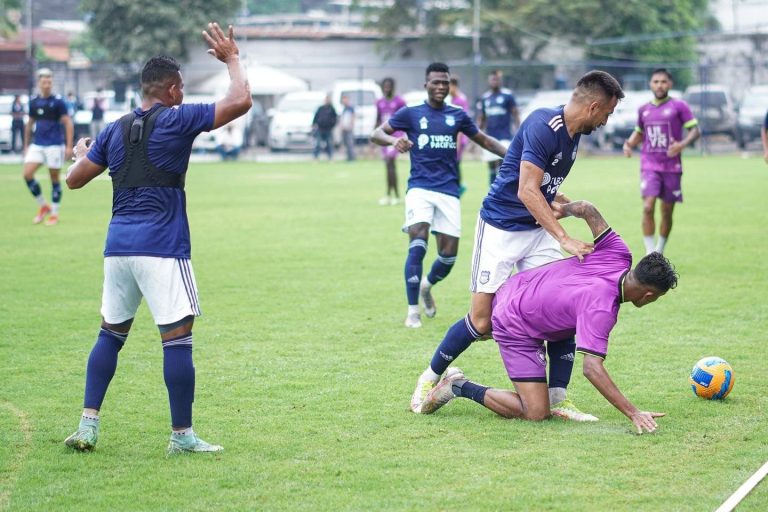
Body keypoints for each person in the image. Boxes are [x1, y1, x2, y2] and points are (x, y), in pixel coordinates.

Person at [62, 22, 252, 455]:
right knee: (178, 339)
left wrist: (80, 155)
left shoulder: (113, 129)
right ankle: (181, 436)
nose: (183, 95)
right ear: (169, 90)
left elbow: (74, 181)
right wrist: (232, 59)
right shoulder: (178, 120)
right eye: (180, 88)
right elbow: (240, 100)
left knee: (110, 334)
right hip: (162, 247)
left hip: (118, 250)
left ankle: (87, 427)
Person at [410, 70, 624, 421]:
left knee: (558, 307)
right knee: (481, 322)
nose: (606, 121)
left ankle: (558, 399)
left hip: (537, 230)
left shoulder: (573, 135)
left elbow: (544, 190)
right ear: (594, 107)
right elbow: (526, 190)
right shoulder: (545, 125)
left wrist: (568, 207)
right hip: (500, 228)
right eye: (607, 114)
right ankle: (431, 379)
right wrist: (564, 237)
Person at [419, 200, 677, 436]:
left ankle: (558, 395)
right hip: (515, 320)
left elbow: (587, 209)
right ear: (647, 295)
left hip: (517, 287)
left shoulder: (619, 253)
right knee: (535, 412)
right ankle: (458, 386)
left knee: (565, 320)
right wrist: (633, 412)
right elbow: (592, 369)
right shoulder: (602, 310)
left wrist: (563, 210)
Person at [371, 62, 508, 329]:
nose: (441, 87)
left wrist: (518, 156)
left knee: (448, 258)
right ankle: (412, 311)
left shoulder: (457, 115)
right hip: (419, 189)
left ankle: (426, 286)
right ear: (426, 85)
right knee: (418, 243)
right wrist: (393, 141)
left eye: (445, 82)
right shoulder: (410, 114)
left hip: (448, 191)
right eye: (436, 82)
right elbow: (376, 134)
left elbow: (485, 141)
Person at [623, 68, 700, 255]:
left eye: (663, 81)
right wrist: (629, 144)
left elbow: (695, 130)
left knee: (666, 211)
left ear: (670, 84)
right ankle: (650, 253)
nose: (659, 85)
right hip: (649, 165)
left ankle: (660, 250)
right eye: (656, 81)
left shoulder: (679, 106)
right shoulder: (643, 110)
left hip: (672, 167)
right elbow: (640, 132)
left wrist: (681, 145)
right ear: (650, 84)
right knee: (648, 206)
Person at [23, 68, 74, 226]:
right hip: (38, 144)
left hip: (54, 145)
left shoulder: (58, 102)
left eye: (49, 81)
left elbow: (67, 123)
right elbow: (30, 124)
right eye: (44, 81)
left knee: (54, 179)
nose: (47, 84)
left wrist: (68, 146)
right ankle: (43, 206)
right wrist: (26, 145)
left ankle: (54, 213)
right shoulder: (34, 102)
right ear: (39, 83)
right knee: (27, 174)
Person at [479, 70, 520, 185]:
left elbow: (515, 114)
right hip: (489, 137)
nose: (494, 82)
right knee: (491, 166)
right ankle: (492, 192)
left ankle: (503, 191)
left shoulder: (507, 95)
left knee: (503, 164)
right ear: (489, 81)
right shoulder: (485, 98)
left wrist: (519, 131)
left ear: (500, 81)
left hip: (505, 136)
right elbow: (482, 118)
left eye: (496, 79)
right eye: (492, 79)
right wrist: (476, 136)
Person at [375, 78, 407, 205]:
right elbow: (378, 119)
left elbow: (406, 118)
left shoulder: (399, 101)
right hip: (384, 136)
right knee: (388, 165)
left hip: (396, 136)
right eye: (385, 86)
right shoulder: (379, 102)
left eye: (389, 86)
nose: (387, 89)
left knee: (390, 162)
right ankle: (390, 195)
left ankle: (395, 195)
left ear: (393, 87)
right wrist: (374, 136)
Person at [448, 77, 470, 195]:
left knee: (455, 162)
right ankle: (456, 186)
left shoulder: (460, 100)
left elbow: (462, 121)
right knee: (454, 162)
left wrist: (458, 140)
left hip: (459, 137)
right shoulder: (453, 99)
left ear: (455, 86)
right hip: (454, 136)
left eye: (449, 86)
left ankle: (458, 187)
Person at [312, 94, 337, 160]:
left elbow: (335, 118)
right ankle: (315, 157)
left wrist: (332, 125)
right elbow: (316, 117)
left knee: (329, 144)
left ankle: (330, 157)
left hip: (328, 129)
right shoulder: (321, 108)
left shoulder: (332, 109)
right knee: (318, 144)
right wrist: (314, 124)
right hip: (320, 129)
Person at [339, 94, 356, 162]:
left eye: (345, 99)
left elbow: (353, 117)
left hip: (349, 128)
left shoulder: (350, 108)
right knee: (346, 143)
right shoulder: (344, 109)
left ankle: (352, 158)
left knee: (350, 143)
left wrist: (351, 125)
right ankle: (348, 157)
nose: (344, 101)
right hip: (344, 128)